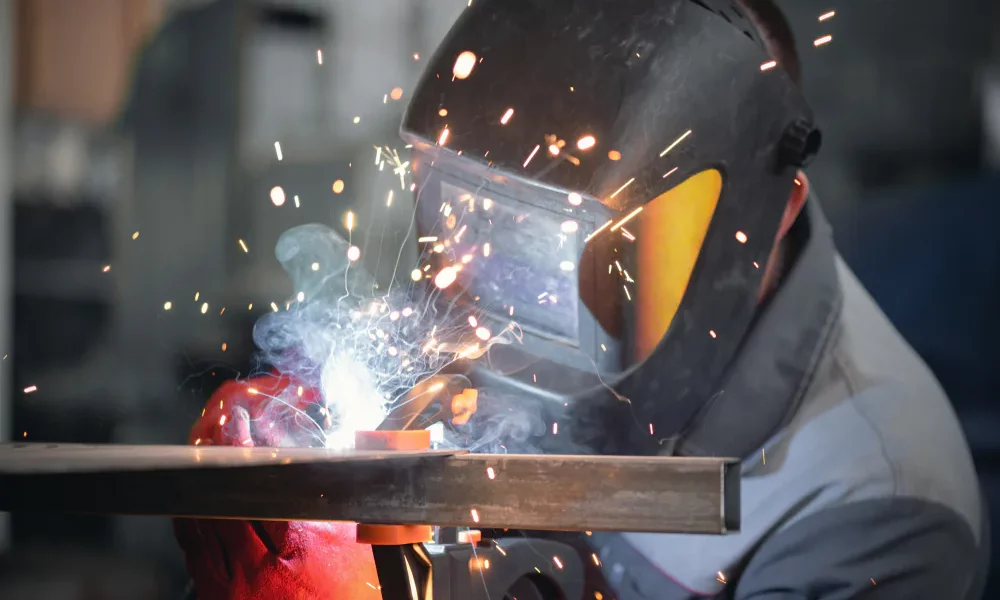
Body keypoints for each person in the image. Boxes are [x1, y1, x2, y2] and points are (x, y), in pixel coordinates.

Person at [174, 0, 989, 598]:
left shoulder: (878, 507)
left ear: (771, 213)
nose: (492, 292)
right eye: (477, 217)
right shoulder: (512, 282)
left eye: (555, 247)